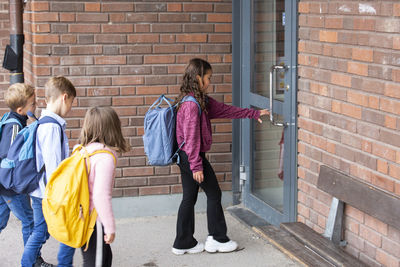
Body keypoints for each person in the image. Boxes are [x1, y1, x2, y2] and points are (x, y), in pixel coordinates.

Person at [172, 58, 269, 255]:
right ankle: (217, 238)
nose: (210, 81)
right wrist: (196, 166)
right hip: (191, 156)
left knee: (189, 197)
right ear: (198, 78)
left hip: (187, 157)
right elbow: (191, 139)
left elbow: (226, 110)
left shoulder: (200, 101)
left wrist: (253, 113)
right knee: (214, 194)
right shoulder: (192, 105)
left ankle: (183, 242)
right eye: (208, 78)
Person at [21, 76, 76, 267]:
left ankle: (28, 262)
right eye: (71, 102)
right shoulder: (52, 127)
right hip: (48, 192)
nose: (70, 108)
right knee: (49, 231)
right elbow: (54, 167)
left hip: (41, 190)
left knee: (40, 231)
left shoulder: (45, 122)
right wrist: (60, 195)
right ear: (64, 97)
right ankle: (28, 263)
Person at [78, 107, 130, 266]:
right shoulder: (104, 158)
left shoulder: (83, 151)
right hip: (94, 221)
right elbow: (100, 196)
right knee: (96, 262)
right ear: (113, 128)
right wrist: (109, 227)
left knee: (104, 258)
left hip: (82, 216)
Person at [0, 83, 38, 259]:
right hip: (11, 186)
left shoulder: (12, 118)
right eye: (33, 104)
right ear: (21, 109)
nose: (35, 106)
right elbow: (10, 158)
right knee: (29, 220)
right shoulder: (14, 127)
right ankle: (32, 261)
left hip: (4, 185)